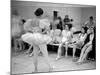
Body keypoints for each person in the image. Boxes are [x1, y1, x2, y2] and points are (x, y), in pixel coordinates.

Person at [21, 8, 53, 72]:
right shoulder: (42, 21)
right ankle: (50, 67)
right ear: (41, 14)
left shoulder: (31, 20)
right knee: (45, 53)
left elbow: (25, 28)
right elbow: (48, 29)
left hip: (33, 37)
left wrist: (32, 31)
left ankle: (35, 69)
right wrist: (42, 32)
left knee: (35, 54)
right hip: (40, 37)